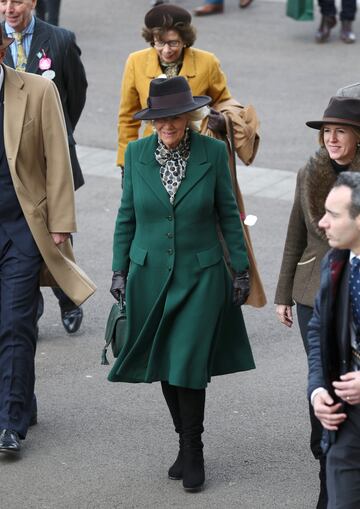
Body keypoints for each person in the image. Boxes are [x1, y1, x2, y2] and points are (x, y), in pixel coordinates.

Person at [109, 76, 255, 492]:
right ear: (152, 121)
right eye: (160, 120)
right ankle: (183, 442)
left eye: (175, 118)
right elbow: (126, 217)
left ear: (189, 116)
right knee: (166, 366)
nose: (168, 126)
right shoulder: (136, 154)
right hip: (149, 275)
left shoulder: (211, 150)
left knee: (188, 362)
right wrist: (119, 270)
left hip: (201, 275)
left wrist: (240, 270)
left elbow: (228, 213)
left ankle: (193, 449)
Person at [0, 26, 95, 455]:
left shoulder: (36, 91)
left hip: (23, 226)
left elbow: (58, 156)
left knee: (16, 322)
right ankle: (21, 396)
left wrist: (60, 223)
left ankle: (10, 421)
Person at [275, 96, 360, 509]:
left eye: (340, 131)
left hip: (351, 282)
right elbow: (295, 233)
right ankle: (327, 465)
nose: (331, 139)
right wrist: (282, 295)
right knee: (324, 379)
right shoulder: (310, 172)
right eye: (327, 132)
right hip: (314, 290)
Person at [1, 0, 88, 334]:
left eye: (18, 1)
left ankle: (67, 297)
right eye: (3, 1)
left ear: (33, 2)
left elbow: (76, 95)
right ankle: (26, 309)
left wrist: (58, 137)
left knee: (55, 231)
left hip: (51, 158)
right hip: (13, 163)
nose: (10, 8)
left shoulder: (61, 40)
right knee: (22, 238)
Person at [117, 3, 256, 171]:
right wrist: (126, 163)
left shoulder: (208, 62)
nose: (166, 50)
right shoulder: (135, 62)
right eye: (160, 43)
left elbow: (223, 100)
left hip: (198, 155)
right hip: (153, 156)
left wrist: (222, 120)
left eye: (173, 43)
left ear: (185, 40)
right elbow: (127, 118)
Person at [308, 171, 360, 508]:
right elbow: (317, 330)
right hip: (347, 422)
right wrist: (317, 390)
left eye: (334, 214)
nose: (322, 223)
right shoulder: (335, 263)